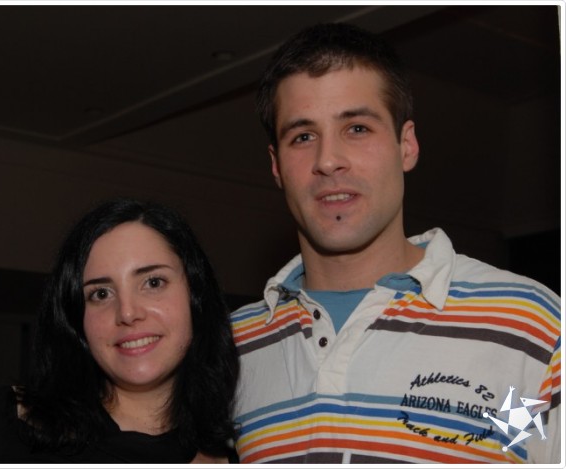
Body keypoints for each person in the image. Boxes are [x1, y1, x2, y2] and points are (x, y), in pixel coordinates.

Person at [230, 22, 561, 464]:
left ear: (407, 146)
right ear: (276, 166)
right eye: (303, 137)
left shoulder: (532, 329)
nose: (328, 160)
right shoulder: (228, 349)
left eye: (357, 128)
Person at [0, 198, 239, 463]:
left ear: (196, 295)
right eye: (101, 293)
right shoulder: (8, 426)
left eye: (153, 282)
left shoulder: (235, 451)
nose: (127, 313)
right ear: (76, 319)